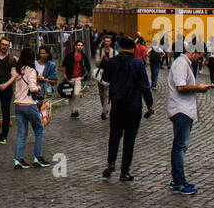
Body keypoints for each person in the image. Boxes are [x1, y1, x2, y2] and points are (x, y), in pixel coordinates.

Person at [102, 34, 154, 180]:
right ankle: (125, 171)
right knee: (129, 139)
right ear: (134, 48)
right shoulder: (138, 63)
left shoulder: (112, 62)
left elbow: (105, 78)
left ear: (120, 47)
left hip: (117, 105)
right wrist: (150, 105)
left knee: (114, 135)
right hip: (133, 105)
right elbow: (145, 86)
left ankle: (111, 162)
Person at [166, 42, 212, 195]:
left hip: (184, 109)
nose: (200, 60)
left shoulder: (184, 63)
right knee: (180, 147)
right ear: (193, 53)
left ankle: (178, 180)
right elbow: (181, 87)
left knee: (180, 146)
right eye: (200, 57)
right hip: (181, 110)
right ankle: (178, 182)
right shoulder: (181, 64)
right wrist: (198, 88)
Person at [2, 47, 50, 169]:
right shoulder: (31, 70)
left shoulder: (16, 70)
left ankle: (18, 159)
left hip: (18, 104)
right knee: (39, 130)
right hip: (29, 104)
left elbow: (15, 78)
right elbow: (33, 87)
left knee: (22, 133)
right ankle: (38, 157)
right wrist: (39, 88)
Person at [62, 39, 90, 119]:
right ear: (75, 46)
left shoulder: (84, 56)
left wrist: (83, 76)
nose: (80, 47)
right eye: (78, 45)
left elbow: (88, 67)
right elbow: (64, 65)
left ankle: (76, 109)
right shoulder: (69, 56)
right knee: (71, 95)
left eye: (81, 46)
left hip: (78, 78)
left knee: (76, 94)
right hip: (70, 77)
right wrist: (64, 74)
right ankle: (73, 112)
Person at [95, 35, 118, 120]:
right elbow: (96, 63)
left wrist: (109, 61)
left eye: (108, 41)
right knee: (101, 93)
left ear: (111, 42)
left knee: (107, 93)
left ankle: (104, 111)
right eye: (105, 41)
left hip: (110, 75)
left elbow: (116, 63)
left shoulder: (114, 52)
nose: (107, 43)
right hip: (101, 74)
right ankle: (105, 108)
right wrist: (102, 59)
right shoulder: (99, 51)